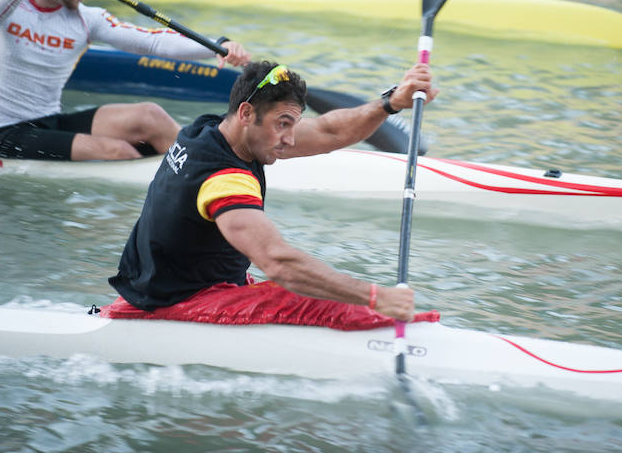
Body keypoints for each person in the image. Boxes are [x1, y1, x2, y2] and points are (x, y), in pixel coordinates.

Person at [106, 60, 438, 323]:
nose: (291, 139)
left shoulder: (209, 128)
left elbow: (328, 130)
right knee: (311, 297)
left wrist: (390, 103)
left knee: (322, 286)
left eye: (293, 124)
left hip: (154, 287)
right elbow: (279, 264)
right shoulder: (224, 179)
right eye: (283, 124)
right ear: (246, 114)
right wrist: (377, 297)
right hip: (176, 304)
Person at [0, 0, 249, 161]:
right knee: (117, 151)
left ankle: (212, 166)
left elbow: (153, 43)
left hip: (48, 121)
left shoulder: (86, 20)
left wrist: (219, 45)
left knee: (150, 116)